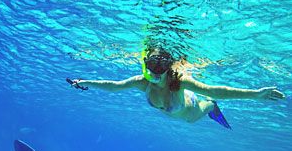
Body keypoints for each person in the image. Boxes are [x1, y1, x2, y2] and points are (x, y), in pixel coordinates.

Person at [67, 47, 285, 128]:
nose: (154, 72)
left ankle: (211, 108)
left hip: (191, 112)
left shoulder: (179, 81)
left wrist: (255, 95)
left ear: (168, 67)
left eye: (160, 66)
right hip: (175, 114)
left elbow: (215, 90)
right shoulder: (141, 82)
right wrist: (85, 82)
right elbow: (114, 86)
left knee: (208, 102)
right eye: (151, 65)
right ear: (145, 64)